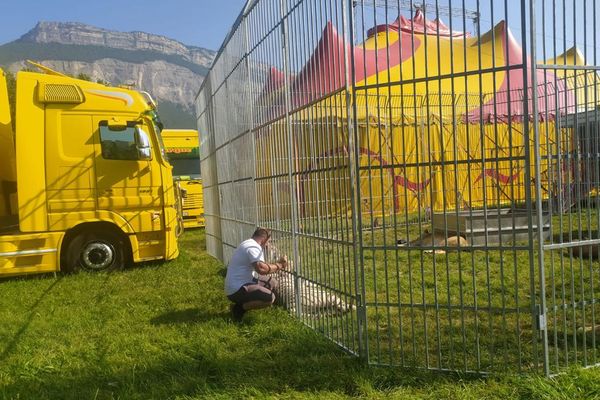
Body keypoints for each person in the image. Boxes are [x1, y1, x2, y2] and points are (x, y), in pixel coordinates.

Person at [224, 227, 288, 322]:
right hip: (236, 289)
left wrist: (277, 265)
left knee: (272, 283)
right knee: (270, 298)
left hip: (241, 282)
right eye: (268, 241)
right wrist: (280, 265)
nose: (268, 244)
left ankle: (252, 301)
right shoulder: (253, 247)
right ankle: (239, 308)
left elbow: (263, 267)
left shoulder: (248, 243)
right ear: (264, 239)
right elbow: (261, 269)